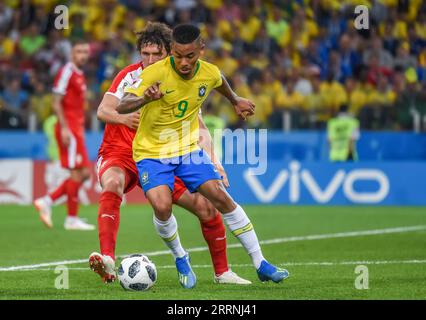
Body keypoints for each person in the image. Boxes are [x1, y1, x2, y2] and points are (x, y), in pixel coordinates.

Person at [118, 24, 289, 289]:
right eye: (178, 56)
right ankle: (181, 257)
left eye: (190, 56)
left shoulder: (209, 72)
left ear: (201, 50)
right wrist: (144, 99)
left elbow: (219, 80)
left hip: (187, 149)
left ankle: (261, 263)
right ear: (171, 51)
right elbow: (122, 104)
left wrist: (234, 100)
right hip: (151, 152)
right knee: (162, 206)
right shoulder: (154, 73)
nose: (184, 62)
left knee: (220, 196)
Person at [89, 22, 250, 286]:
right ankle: (107, 258)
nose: (149, 59)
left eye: (156, 54)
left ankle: (223, 272)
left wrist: (215, 163)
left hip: (162, 157)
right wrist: (124, 117)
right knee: (113, 184)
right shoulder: (129, 77)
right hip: (121, 153)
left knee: (206, 207)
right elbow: (103, 110)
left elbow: (201, 130)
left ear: (170, 53)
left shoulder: (180, 79)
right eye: (145, 53)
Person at [33, 40, 95, 231]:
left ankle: (47, 201)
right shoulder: (67, 71)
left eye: (85, 51)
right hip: (69, 128)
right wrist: (65, 128)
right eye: (79, 51)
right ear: (72, 54)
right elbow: (56, 101)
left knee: (84, 173)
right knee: (78, 172)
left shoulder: (79, 73)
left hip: (77, 129)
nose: (83, 55)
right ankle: (71, 218)